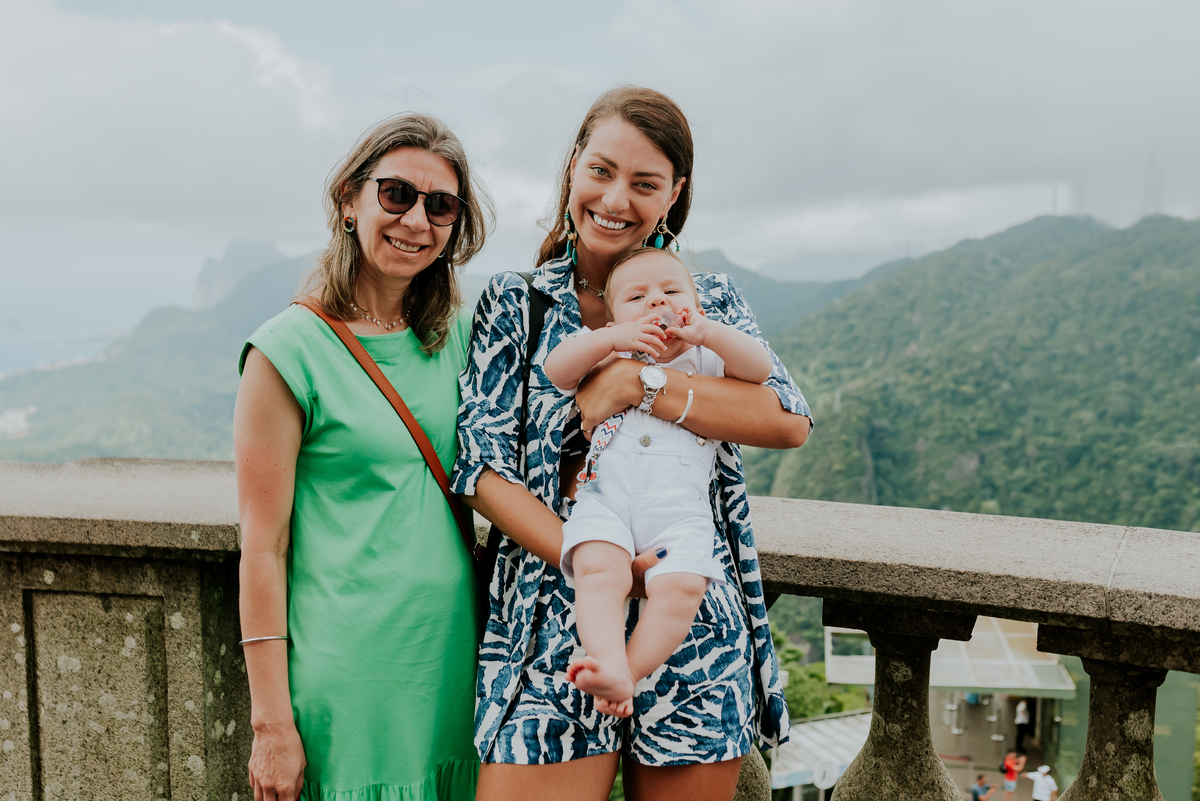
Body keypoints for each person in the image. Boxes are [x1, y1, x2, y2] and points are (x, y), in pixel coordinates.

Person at [454, 86, 812, 801]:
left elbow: (784, 416)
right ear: (572, 170)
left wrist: (636, 385)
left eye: (644, 184)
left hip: (691, 625)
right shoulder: (516, 302)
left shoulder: (704, 300)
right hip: (548, 627)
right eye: (602, 171)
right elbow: (482, 466)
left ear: (673, 195)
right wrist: (600, 554)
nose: (616, 199)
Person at [235, 112, 491, 801]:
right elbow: (263, 545)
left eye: (441, 205)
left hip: (453, 671)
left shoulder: (459, 337)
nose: (416, 219)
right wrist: (271, 724)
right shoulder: (287, 351)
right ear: (350, 198)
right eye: (397, 193)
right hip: (350, 683)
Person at [545, 247, 773, 716]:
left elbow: (760, 370)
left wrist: (708, 334)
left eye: (672, 292)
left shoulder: (707, 360)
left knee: (683, 589)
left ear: (696, 306)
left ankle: (628, 673)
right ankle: (606, 657)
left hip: (680, 513)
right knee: (597, 573)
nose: (656, 303)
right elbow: (557, 370)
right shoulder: (612, 352)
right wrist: (609, 340)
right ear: (613, 319)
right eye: (637, 298)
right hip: (606, 500)